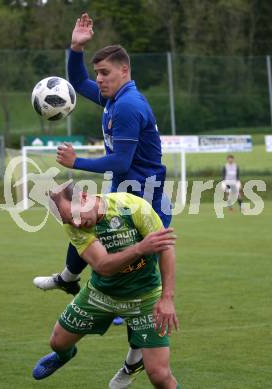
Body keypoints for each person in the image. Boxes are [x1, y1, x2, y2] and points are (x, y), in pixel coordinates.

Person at [33, 12, 172, 386]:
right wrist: (76, 48)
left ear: (123, 71)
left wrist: (77, 161)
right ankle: (67, 278)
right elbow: (76, 81)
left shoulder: (128, 106)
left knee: (140, 285)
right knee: (81, 222)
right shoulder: (115, 97)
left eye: (104, 74)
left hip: (145, 197)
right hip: (124, 190)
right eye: (98, 74)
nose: (98, 81)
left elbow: (123, 160)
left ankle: (132, 362)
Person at [32, 183, 180, 389]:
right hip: (101, 294)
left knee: (159, 375)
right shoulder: (74, 225)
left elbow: (166, 249)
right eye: (68, 220)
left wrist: (167, 298)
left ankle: (134, 365)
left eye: (74, 216)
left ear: (83, 197)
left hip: (144, 297)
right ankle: (65, 356)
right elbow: (103, 266)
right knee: (57, 343)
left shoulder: (132, 206)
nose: (75, 224)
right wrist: (139, 248)